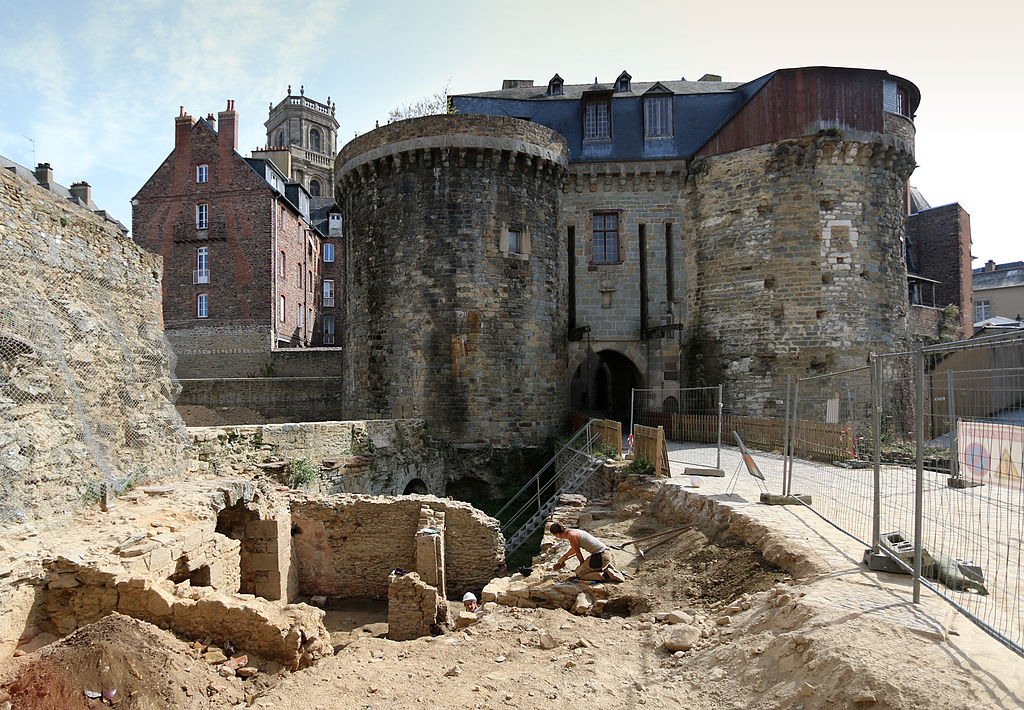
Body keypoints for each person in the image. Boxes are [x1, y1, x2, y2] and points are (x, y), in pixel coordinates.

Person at [549, 522, 625, 582]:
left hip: (601, 556)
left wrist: (582, 566)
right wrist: (564, 557)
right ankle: (607, 569)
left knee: (580, 574)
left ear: (557, 533)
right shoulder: (574, 532)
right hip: (603, 554)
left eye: (555, 535)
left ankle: (607, 575)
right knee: (579, 569)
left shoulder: (571, 536)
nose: (556, 537)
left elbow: (578, 553)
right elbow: (574, 549)